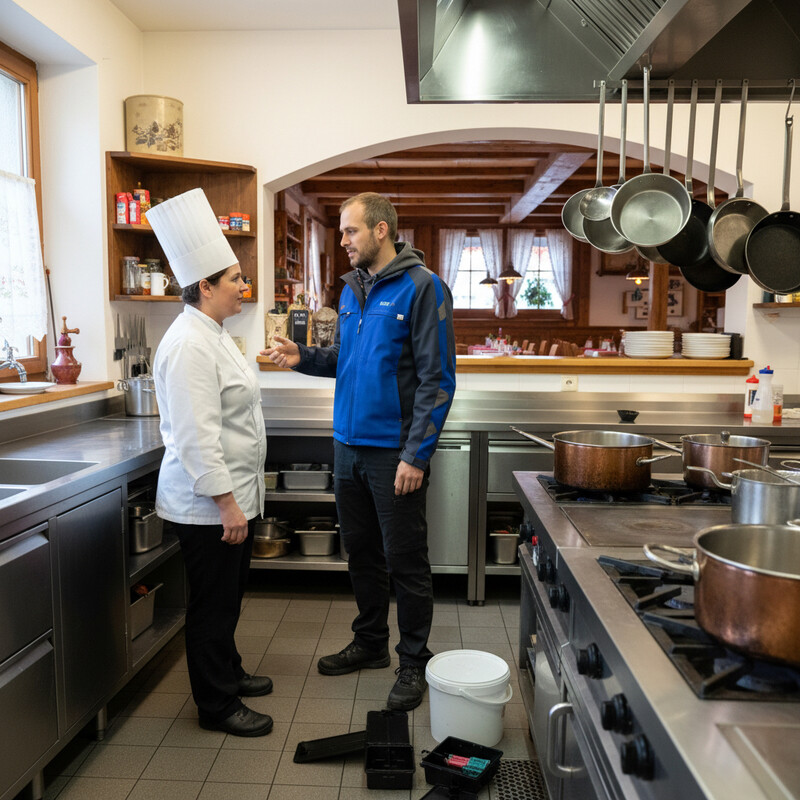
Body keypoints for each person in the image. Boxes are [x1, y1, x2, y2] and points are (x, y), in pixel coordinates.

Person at [263, 192, 456, 710]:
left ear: (381, 230)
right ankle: (371, 644)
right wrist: (301, 355)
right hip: (346, 447)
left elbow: (438, 382)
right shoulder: (350, 292)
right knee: (362, 555)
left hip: (393, 453)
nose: (342, 240)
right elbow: (347, 359)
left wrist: (416, 456)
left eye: (349, 231)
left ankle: (413, 661)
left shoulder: (424, 287)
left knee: (406, 560)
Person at [147, 188, 273, 737]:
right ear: (205, 287)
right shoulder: (188, 346)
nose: (242, 288)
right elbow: (198, 437)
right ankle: (216, 705)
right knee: (212, 605)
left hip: (229, 500)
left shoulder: (214, 334)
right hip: (207, 506)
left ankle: (229, 672)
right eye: (234, 281)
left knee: (228, 598)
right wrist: (227, 503)